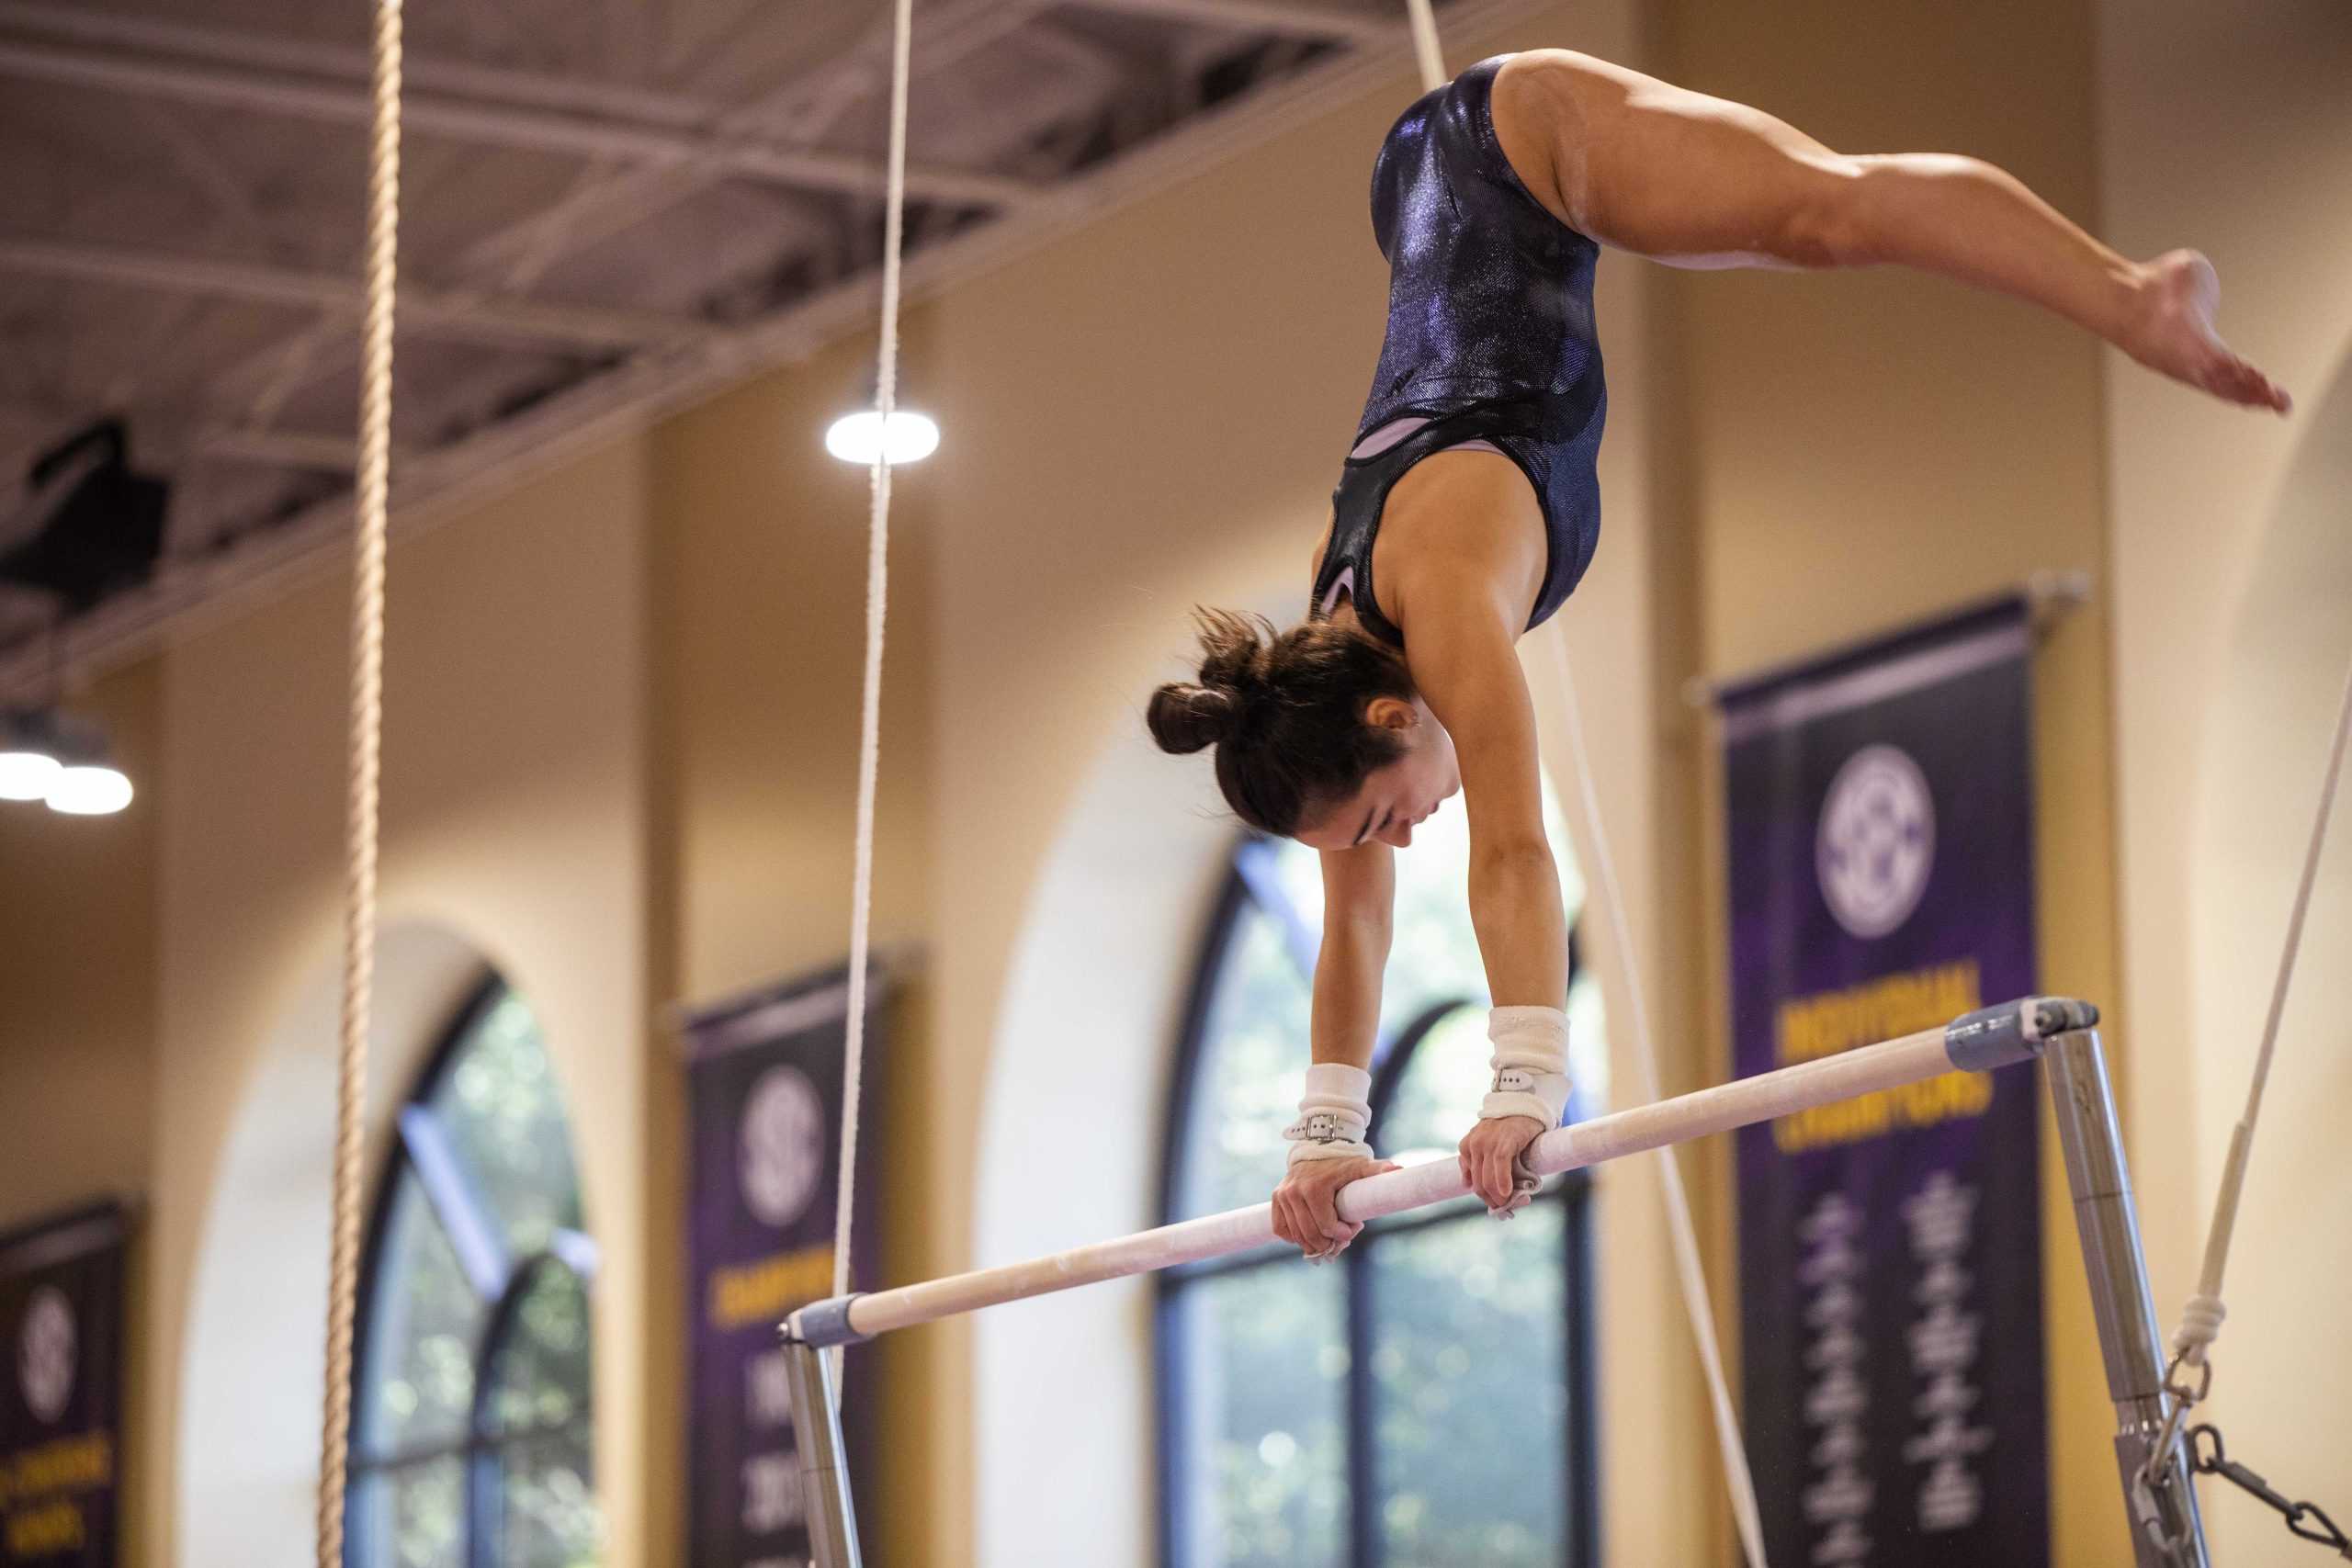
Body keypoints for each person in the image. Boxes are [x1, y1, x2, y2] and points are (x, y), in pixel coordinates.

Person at [1145, 50, 2288, 1260]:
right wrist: (1326, 1133)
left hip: (1520, 143)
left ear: (1386, 721)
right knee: (1807, 221)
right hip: (1424, 194)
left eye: (1384, 822)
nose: (1403, 841)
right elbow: (1356, 928)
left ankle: (2131, 298)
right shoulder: (1330, 661)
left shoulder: (1441, 599)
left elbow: (1516, 850)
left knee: (1827, 213)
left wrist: (1525, 1081)